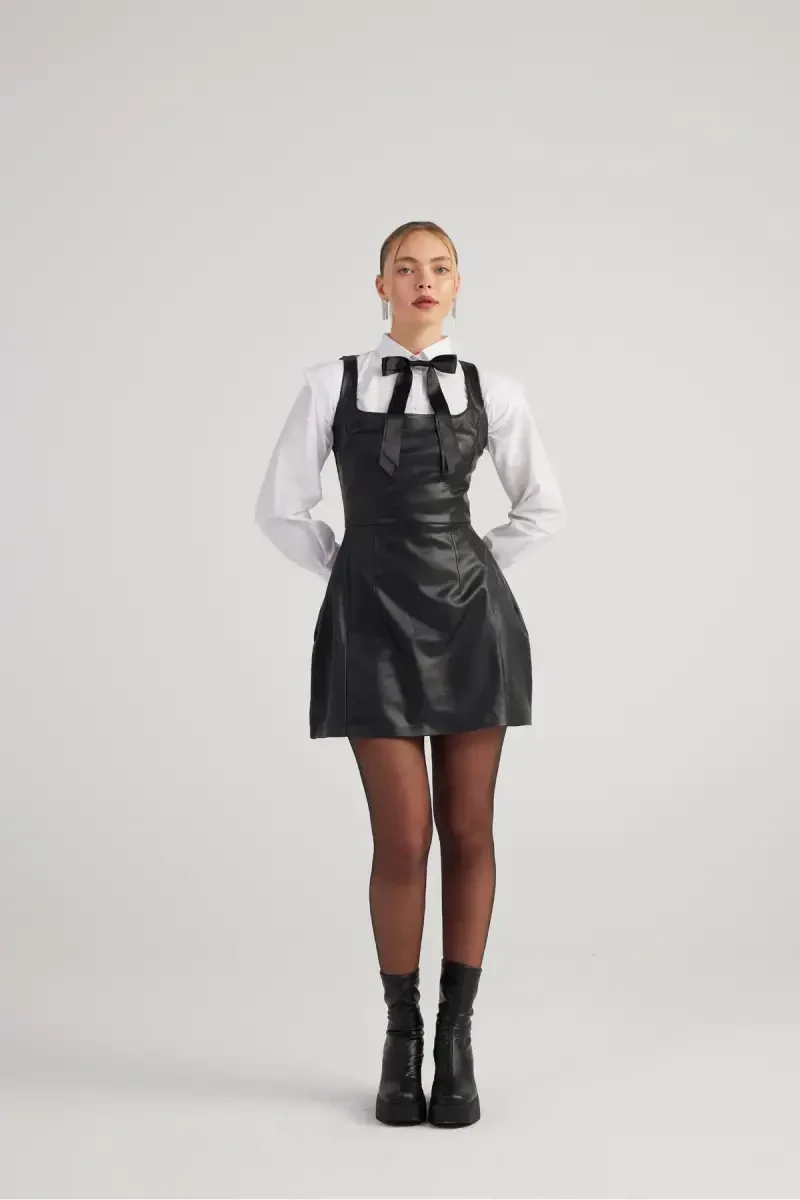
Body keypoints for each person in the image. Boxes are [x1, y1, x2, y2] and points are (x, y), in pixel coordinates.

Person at [254, 220, 566, 1127]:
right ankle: (402, 1037)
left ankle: (457, 1038)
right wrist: (349, 568)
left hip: (472, 624)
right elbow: (281, 507)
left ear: (458, 284)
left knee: (470, 829)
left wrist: (476, 567)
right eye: (405, 267)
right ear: (381, 284)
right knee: (403, 839)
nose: (423, 280)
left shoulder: (495, 390)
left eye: (439, 267)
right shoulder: (331, 384)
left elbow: (543, 508)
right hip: (372, 626)